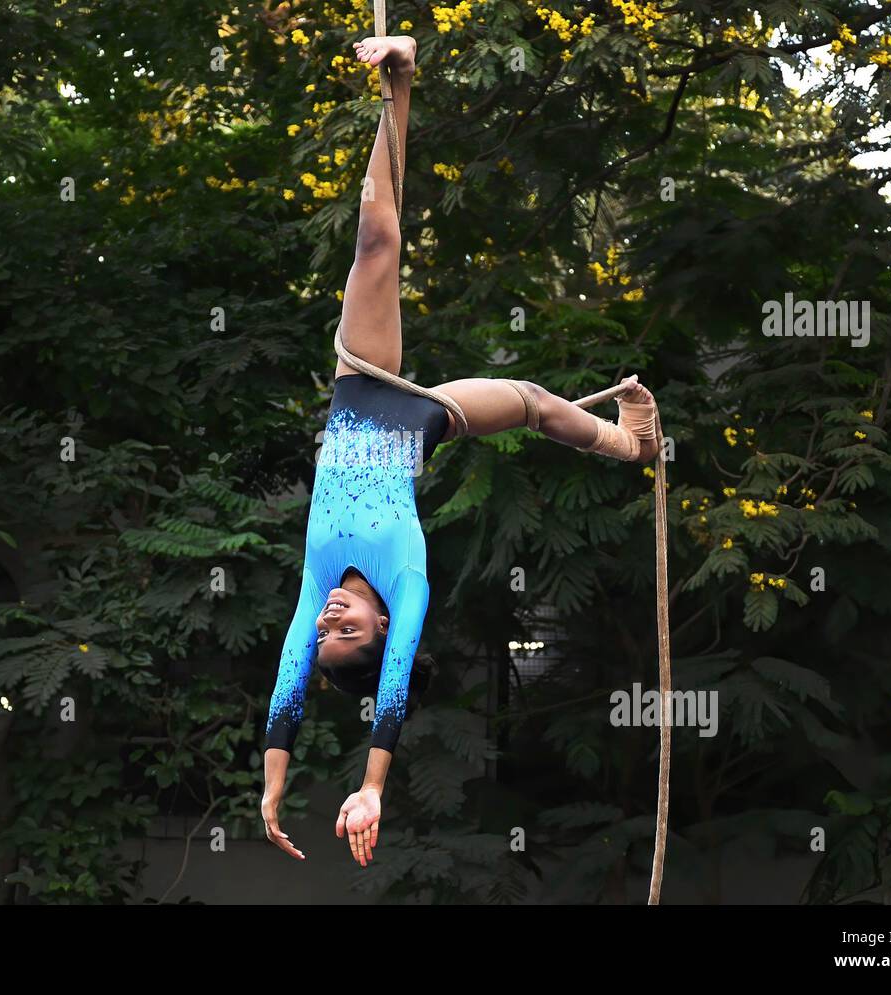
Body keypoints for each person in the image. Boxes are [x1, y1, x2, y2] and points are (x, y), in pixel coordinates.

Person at [261, 35, 659, 868]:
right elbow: (393, 691)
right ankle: (630, 444)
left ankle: (400, 80)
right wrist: (371, 785)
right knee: (537, 403)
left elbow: (287, 694)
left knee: (377, 241)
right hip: (423, 421)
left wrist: (270, 789)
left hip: (361, 384)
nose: (330, 618)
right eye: (348, 631)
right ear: (379, 630)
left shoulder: (313, 583)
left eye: (324, 629)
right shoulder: (405, 584)